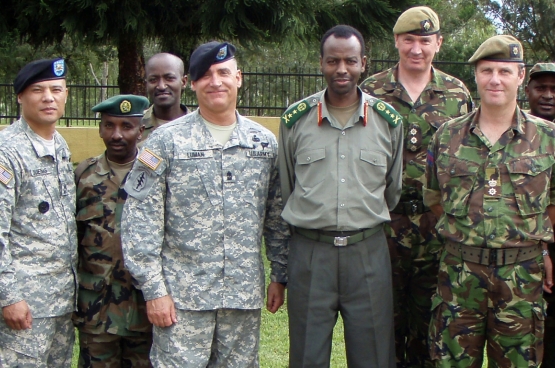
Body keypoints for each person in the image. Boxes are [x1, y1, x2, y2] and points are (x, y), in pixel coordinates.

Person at [121, 41, 289, 367]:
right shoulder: (166, 141)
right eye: (206, 75)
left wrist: (279, 274)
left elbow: (276, 217)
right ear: (192, 83)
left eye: (224, 73)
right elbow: (140, 220)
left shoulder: (263, 143)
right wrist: (154, 290)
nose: (216, 82)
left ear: (238, 78)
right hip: (182, 299)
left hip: (241, 298)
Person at [425, 35, 554, 368]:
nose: (495, 79)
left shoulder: (548, 138)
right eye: (486, 71)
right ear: (476, 76)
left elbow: (553, 202)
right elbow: (434, 197)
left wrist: (538, 245)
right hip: (459, 276)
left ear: (520, 76)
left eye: (504, 71)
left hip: (521, 278)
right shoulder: (446, 136)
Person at [279, 25, 403, 368]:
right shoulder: (296, 119)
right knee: (307, 356)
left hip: (367, 253)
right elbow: (288, 186)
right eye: (333, 61)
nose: (342, 69)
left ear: (364, 63)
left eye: (350, 60)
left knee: (374, 356)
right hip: (310, 254)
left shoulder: (387, 122)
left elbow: (391, 189)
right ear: (321, 63)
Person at [359, 7, 473, 367]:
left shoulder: (456, 94)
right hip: (383, 226)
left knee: (431, 327)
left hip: (435, 228)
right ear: (396, 41)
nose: (416, 49)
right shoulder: (372, 91)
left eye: (425, 41)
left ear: (438, 44)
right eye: (409, 40)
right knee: (382, 325)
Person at [0, 58, 77, 366]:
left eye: (56, 89)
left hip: (59, 300)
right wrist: (9, 296)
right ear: (20, 96)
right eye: (38, 90)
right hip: (26, 303)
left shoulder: (59, 144)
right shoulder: (7, 152)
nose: (49, 98)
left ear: (66, 94)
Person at [73, 94, 152, 368]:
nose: (116, 134)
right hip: (96, 309)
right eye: (109, 125)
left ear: (140, 131)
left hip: (145, 308)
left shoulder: (156, 174)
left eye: (126, 126)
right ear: (100, 128)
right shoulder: (84, 175)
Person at [524, 62, 555, 368]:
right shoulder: (516, 136)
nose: (548, 96)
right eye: (541, 88)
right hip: (536, 246)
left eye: (554, 89)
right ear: (527, 91)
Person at [141, 53, 189, 142]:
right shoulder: (134, 127)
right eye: (153, 80)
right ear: (146, 84)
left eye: (169, 78)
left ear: (184, 82)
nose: (161, 86)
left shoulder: (201, 125)